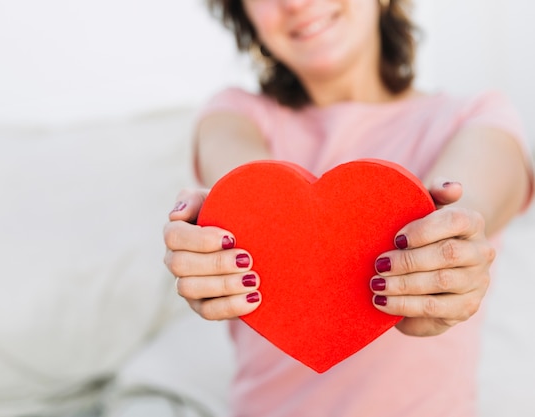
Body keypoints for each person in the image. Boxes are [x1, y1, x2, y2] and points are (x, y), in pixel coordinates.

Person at [163, 0, 534, 416]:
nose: (295, 3)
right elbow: (243, 187)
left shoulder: (475, 115)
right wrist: (218, 232)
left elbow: (474, 204)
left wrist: (454, 245)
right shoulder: (234, 115)